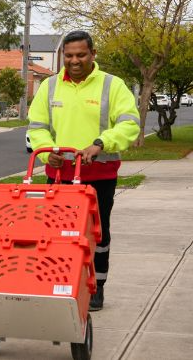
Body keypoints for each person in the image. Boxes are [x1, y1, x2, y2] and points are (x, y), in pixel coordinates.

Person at [27, 30, 140, 311]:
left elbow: (129, 123)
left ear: (93, 54)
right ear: (62, 56)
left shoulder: (112, 86)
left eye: (81, 55)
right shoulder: (50, 87)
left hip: (98, 176)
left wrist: (101, 143)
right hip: (59, 176)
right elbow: (37, 127)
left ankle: (96, 286)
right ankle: (58, 282)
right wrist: (48, 151)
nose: (74, 61)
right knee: (56, 234)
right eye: (69, 55)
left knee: (97, 235)